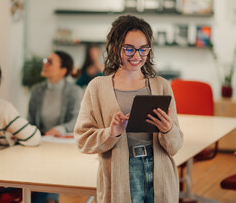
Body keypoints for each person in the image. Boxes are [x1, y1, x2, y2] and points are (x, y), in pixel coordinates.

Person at [74, 15, 184, 203]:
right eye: (129, 49)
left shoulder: (162, 85)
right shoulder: (97, 87)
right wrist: (112, 132)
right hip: (120, 172)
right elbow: (83, 140)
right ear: (116, 48)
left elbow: (175, 146)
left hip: (159, 171)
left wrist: (168, 130)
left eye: (143, 49)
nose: (136, 56)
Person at [27, 51, 82, 203]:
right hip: (40, 142)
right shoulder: (37, 90)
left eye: (50, 62)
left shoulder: (74, 91)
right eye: (46, 60)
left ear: (63, 70)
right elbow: (30, 120)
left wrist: (59, 129)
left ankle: (51, 198)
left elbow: (76, 119)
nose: (45, 64)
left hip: (61, 144)